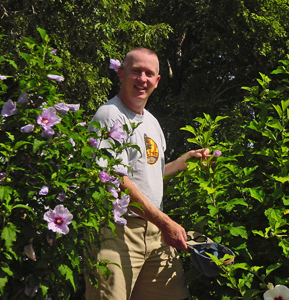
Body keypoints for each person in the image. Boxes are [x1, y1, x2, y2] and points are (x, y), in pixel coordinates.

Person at [85, 47, 208, 300]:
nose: (142, 79)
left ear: (157, 80)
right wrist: (165, 222)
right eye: (136, 71)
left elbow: (148, 175)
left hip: (154, 233)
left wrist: (184, 161)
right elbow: (115, 180)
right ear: (121, 74)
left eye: (149, 73)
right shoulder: (109, 116)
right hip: (117, 233)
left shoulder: (152, 122)